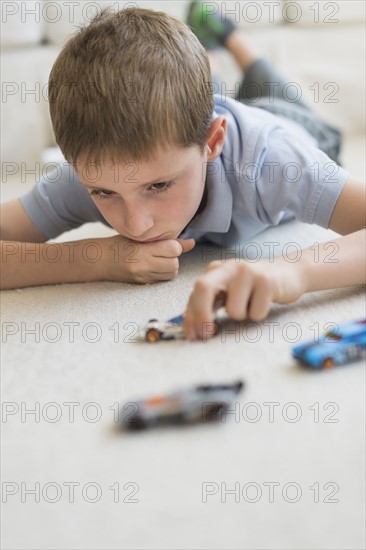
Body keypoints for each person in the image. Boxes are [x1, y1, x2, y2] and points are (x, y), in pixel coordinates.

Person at [0, 5, 364, 340]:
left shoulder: (274, 161)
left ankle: (229, 36)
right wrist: (96, 258)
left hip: (291, 122)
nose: (137, 225)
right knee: (198, 100)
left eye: (158, 185)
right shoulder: (96, 168)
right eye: (103, 194)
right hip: (197, 124)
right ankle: (210, 68)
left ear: (213, 141)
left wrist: (291, 270)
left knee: (268, 82)